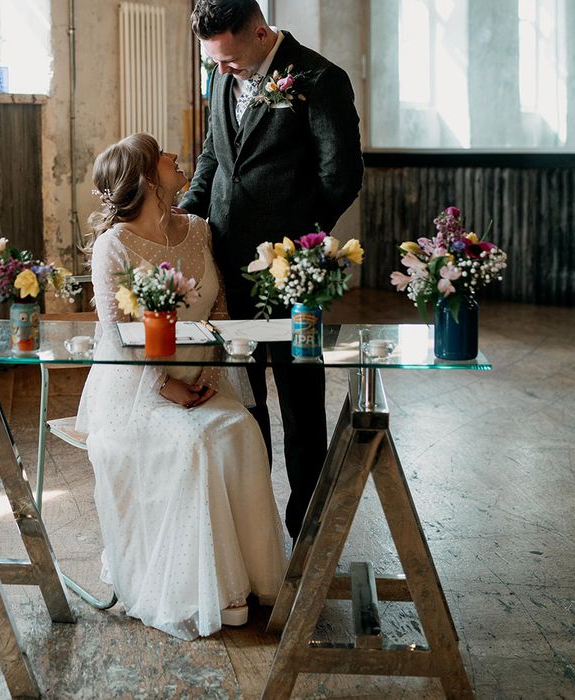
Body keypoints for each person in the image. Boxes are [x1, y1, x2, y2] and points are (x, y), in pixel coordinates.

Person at [75, 133, 286, 641]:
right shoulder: (114, 245)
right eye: (164, 154)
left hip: (202, 378)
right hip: (136, 390)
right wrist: (165, 384)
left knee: (239, 426)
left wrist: (209, 377)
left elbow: (218, 311)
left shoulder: (198, 229)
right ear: (149, 177)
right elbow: (115, 335)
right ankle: (204, 590)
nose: (176, 157)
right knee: (193, 442)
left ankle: (253, 580)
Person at [180, 0, 364, 540]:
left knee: (300, 401)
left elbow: (342, 175)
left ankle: (307, 525)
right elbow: (214, 155)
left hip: (288, 271)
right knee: (241, 394)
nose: (221, 71)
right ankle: (253, 520)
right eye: (213, 62)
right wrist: (185, 223)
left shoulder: (320, 79)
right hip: (220, 262)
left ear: (260, 34)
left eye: (230, 61)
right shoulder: (221, 72)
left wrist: (299, 242)